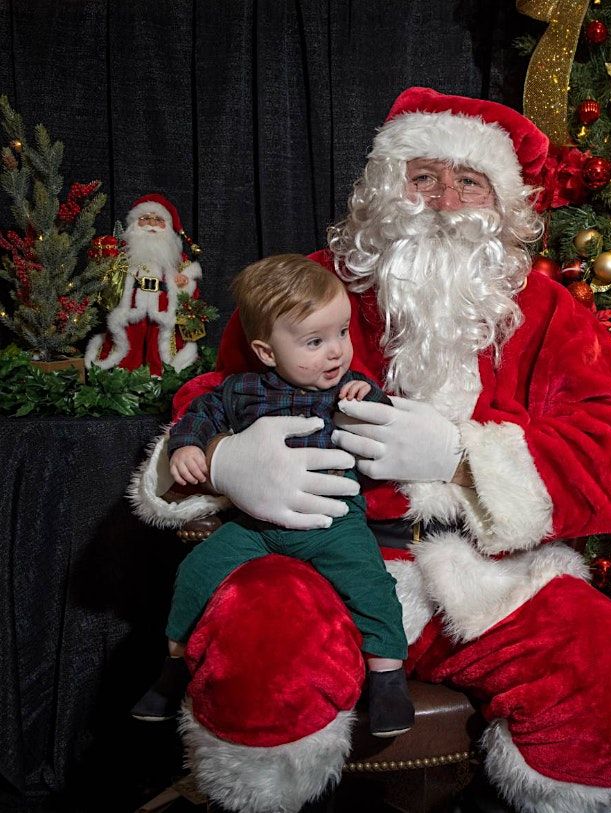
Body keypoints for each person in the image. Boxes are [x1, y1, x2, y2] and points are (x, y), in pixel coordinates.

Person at [129, 87, 611, 813]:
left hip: (488, 577)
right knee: (258, 634)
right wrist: (223, 457)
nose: (445, 200)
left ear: (501, 205)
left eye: (468, 181)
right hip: (317, 559)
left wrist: (462, 454)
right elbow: (215, 390)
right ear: (388, 188)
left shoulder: (546, 311)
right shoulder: (309, 287)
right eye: (424, 177)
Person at [129, 254, 413, 739]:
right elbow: (200, 414)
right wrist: (190, 447)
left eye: (342, 333)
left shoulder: (348, 387)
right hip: (257, 528)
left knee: (370, 583)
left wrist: (369, 398)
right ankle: (173, 667)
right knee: (197, 570)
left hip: (334, 522)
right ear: (265, 352)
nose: (336, 353)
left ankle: (387, 678)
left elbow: (386, 418)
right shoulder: (240, 391)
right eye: (314, 342)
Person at [85, 194, 202, 374]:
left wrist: (184, 282)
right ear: (134, 224)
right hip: (132, 304)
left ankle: (159, 375)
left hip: (161, 305)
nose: (151, 224)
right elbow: (107, 279)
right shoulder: (124, 254)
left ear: (168, 227)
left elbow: (191, 294)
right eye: (145, 218)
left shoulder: (176, 260)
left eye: (158, 219)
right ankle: (125, 374)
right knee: (130, 339)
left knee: (159, 341)